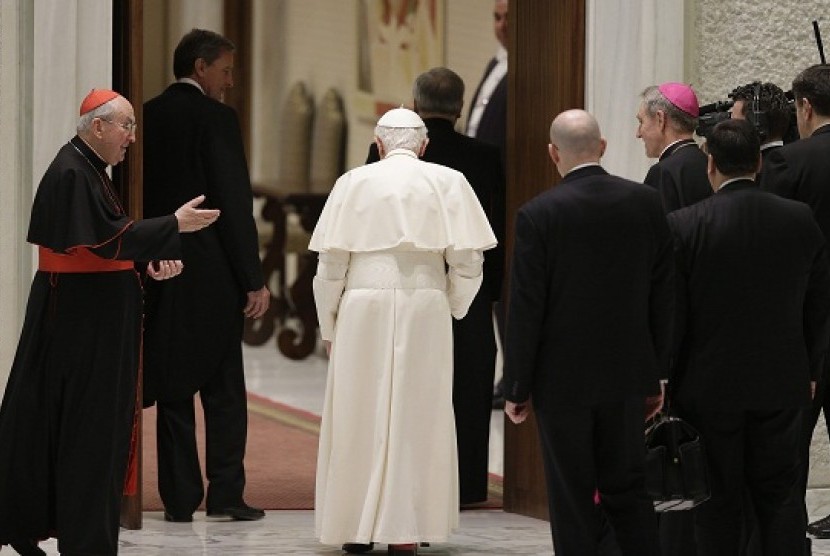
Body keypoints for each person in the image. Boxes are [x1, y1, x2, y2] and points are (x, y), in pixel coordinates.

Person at [0, 89, 219, 556]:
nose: (132, 138)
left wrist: (147, 262)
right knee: (89, 433)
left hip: (90, 317)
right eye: (126, 126)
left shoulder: (86, 168)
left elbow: (106, 243)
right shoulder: (71, 171)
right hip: (84, 327)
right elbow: (98, 245)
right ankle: (87, 543)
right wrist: (171, 226)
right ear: (97, 126)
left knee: (79, 430)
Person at [312, 107, 496, 556]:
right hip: (425, 304)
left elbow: (330, 266)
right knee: (420, 411)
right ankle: (407, 530)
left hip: (361, 304)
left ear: (377, 146)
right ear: (425, 145)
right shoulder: (450, 182)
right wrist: (449, 305)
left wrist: (329, 322)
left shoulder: (352, 183)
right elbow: (470, 263)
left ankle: (356, 526)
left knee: (358, 410)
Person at [503, 109, 669, 556]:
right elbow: (663, 293)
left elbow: (526, 306)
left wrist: (517, 384)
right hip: (628, 373)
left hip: (563, 381)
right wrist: (659, 372)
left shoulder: (538, 215)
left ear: (553, 153)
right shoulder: (645, 203)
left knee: (571, 493)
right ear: (603, 146)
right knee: (629, 490)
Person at [668, 118, 830, 555]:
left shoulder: (684, 225)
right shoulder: (799, 220)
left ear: (710, 164)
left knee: (718, 498)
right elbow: (819, 306)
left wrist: (665, 378)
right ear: (759, 163)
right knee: (779, 495)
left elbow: (673, 315)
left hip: (707, 385)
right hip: (782, 380)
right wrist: (812, 368)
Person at [142, 28, 270, 523]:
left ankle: (178, 498)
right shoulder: (217, 119)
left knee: (174, 382)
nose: (230, 81)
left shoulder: (147, 115)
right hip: (212, 270)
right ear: (200, 67)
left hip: (160, 263)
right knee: (222, 386)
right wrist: (253, 278)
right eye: (226, 69)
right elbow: (233, 202)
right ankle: (226, 493)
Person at [366, 67, 505, 507]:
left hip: (405, 285)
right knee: (468, 384)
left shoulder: (381, 155)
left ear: (415, 103)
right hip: (469, 286)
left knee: (410, 383)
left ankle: (410, 483)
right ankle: (466, 485)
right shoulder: (484, 156)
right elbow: (494, 229)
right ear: (461, 107)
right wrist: (492, 291)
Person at [760, 63, 830, 547]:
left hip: (805, 322)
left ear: (803, 106)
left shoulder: (789, 162)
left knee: (790, 445)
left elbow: (772, 244)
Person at [637, 82, 712, 213]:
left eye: (641, 121)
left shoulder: (662, 172)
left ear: (660, 119)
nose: (638, 133)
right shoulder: (709, 164)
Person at [466, 0, 508, 161]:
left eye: (507, 18)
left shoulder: (526, 66)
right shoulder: (494, 64)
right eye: (497, 18)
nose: (502, 25)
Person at [729, 81, 791, 172]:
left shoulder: (751, 174)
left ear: (757, 125)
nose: (731, 130)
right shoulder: (797, 162)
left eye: (735, 123)